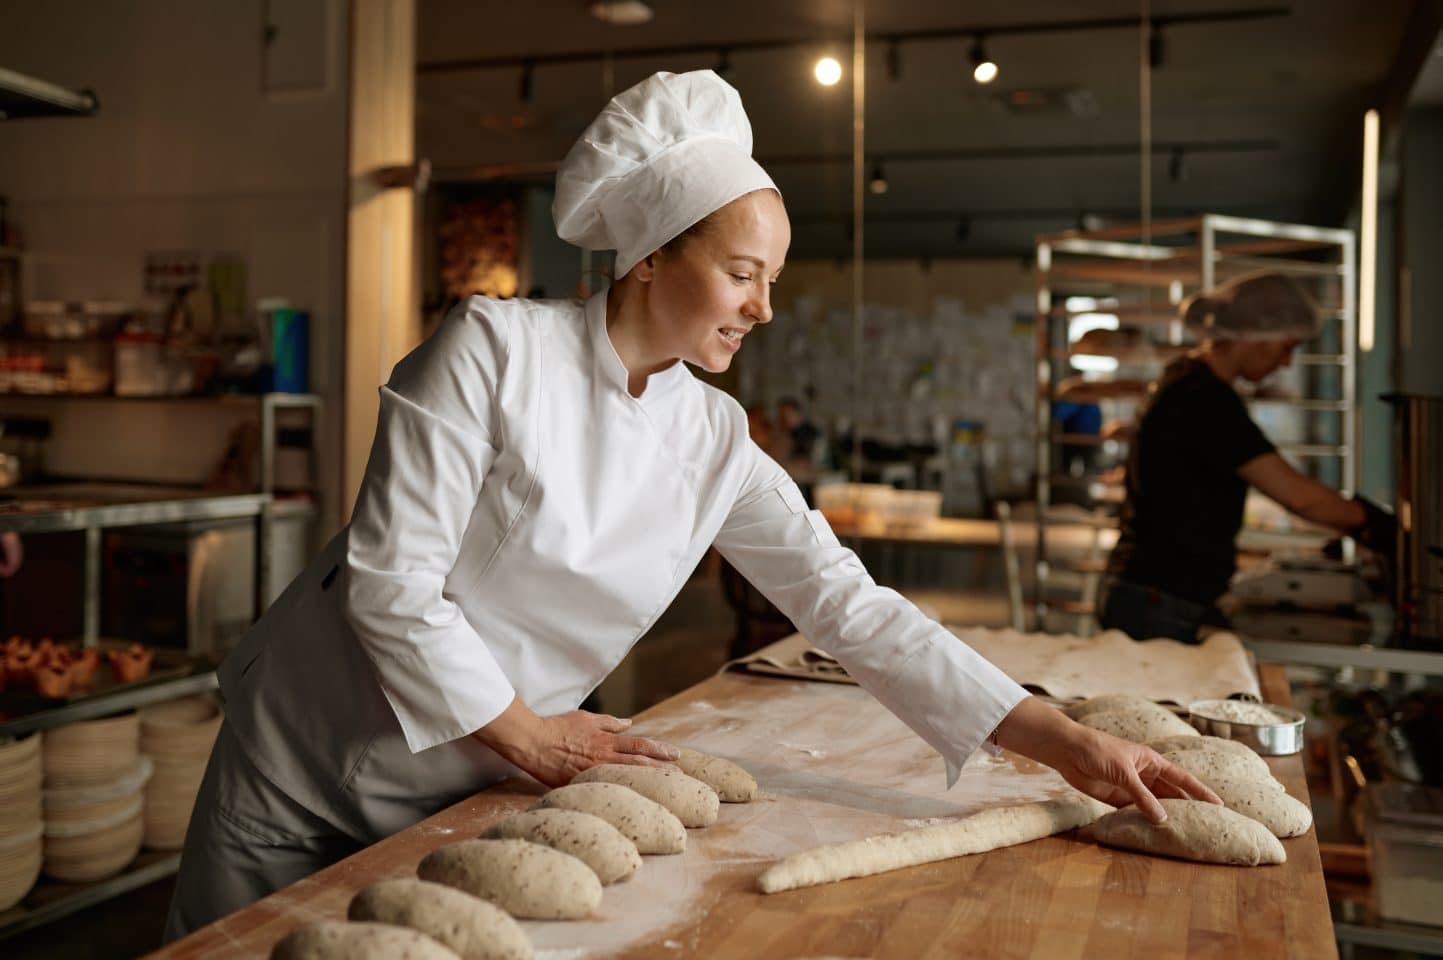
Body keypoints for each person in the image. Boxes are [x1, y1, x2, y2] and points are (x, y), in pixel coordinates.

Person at [164, 70, 1218, 941]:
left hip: (466, 775)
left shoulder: (712, 438)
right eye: (743, 274)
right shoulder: (489, 351)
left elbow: (851, 608)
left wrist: (1064, 740)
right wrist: (533, 741)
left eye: (773, 281)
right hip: (306, 753)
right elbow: (393, 589)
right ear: (653, 255)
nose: (764, 308)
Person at [1098, 271, 1395, 643]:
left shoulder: (1186, 379)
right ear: (1255, 337)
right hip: (1160, 595)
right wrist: (1379, 526)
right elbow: (1296, 495)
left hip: (1153, 589)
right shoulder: (1204, 400)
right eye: (1286, 347)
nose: (1287, 362)